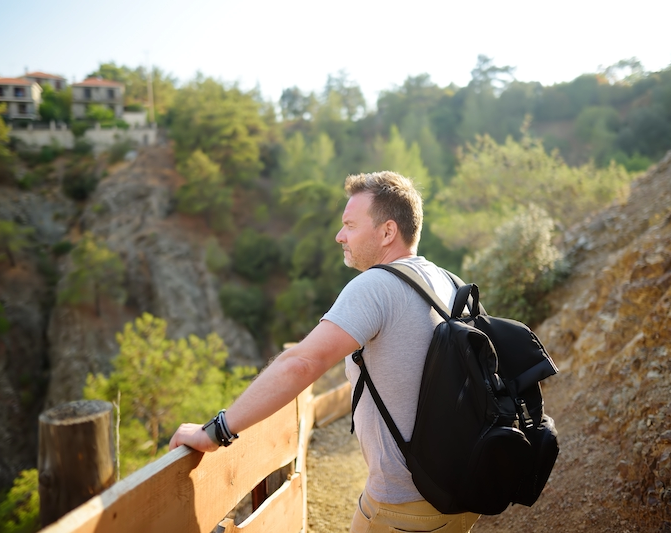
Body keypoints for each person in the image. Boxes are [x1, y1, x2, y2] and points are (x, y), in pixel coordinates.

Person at [169, 171, 480, 533]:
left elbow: (302, 362)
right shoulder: (447, 281)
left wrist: (216, 431)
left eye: (349, 224)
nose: (339, 235)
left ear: (387, 232)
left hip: (405, 504)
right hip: (458, 494)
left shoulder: (376, 286)